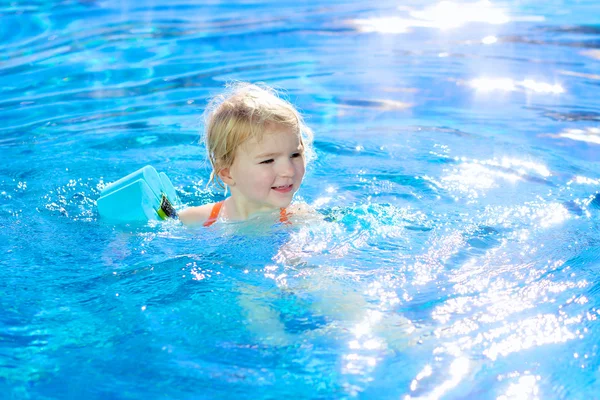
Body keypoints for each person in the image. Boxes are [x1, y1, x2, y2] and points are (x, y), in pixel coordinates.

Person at [179, 82, 313, 227]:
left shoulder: (300, 221)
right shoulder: (196, 219)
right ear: (227, 173)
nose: (289, 170)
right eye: (268, 161)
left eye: (295, 155)